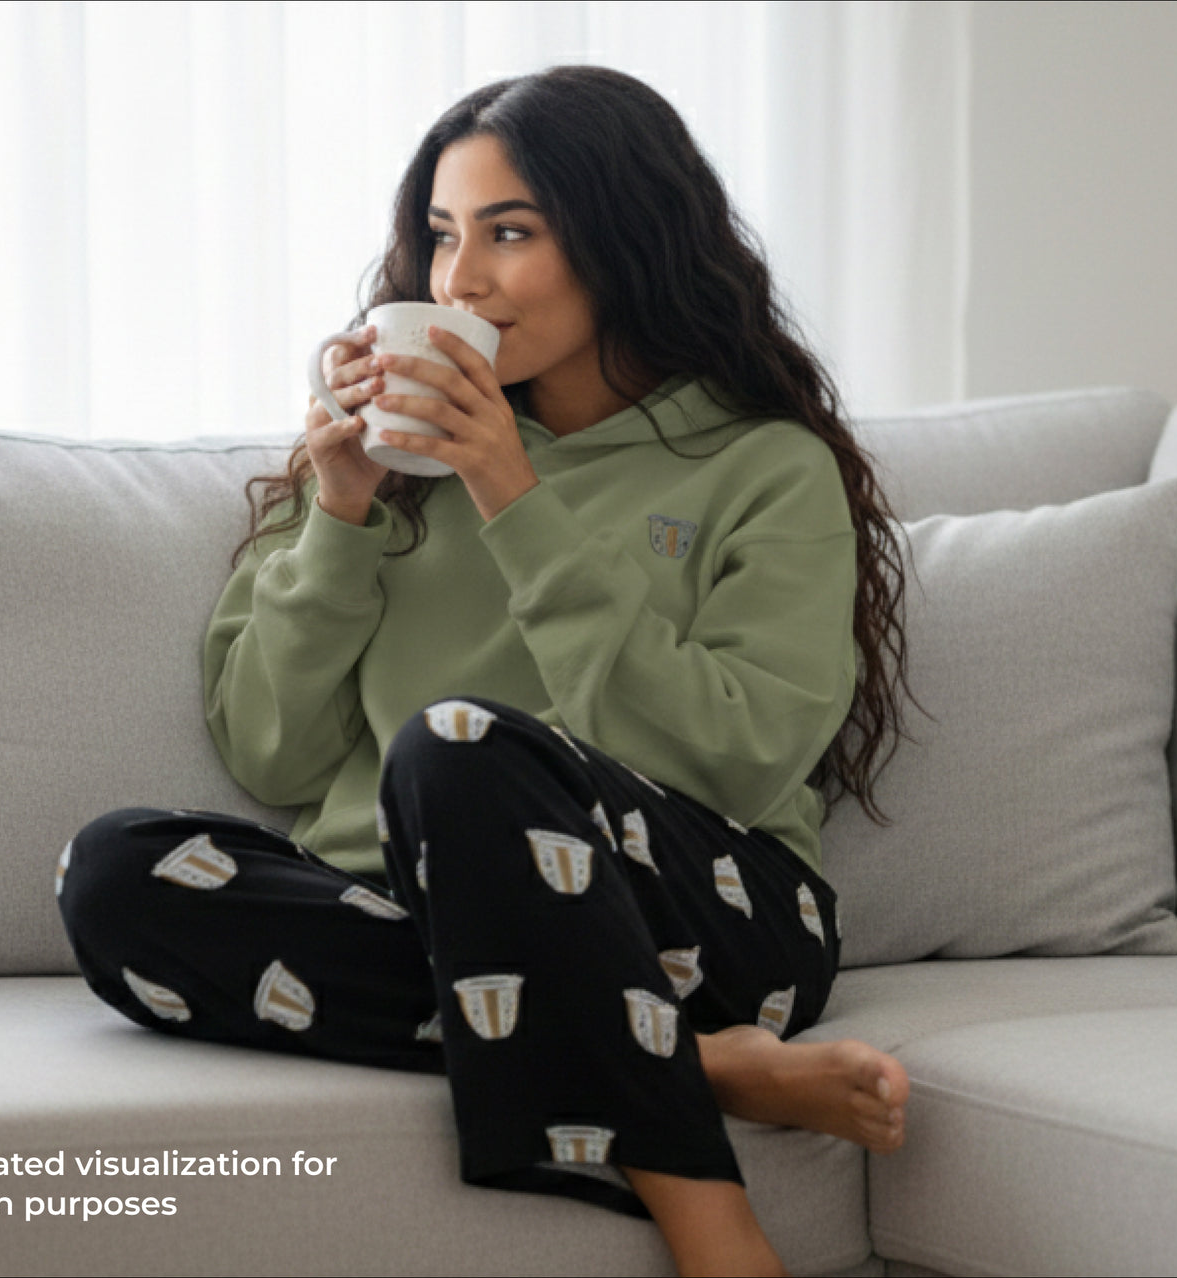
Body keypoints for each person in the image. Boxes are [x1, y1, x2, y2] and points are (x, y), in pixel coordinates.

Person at [57, 65, 915, 1277]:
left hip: (711, 923)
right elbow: (271, 754)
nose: (457, 281)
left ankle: (707, 1217)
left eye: (509, 233)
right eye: (441, 236)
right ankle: (685, 1061)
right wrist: (341, 514)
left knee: (460, 740)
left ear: (624, 240)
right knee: (112, 873)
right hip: (420, 916)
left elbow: (737, 759)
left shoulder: (761, 466)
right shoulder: (381, 461)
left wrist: (510, 489)